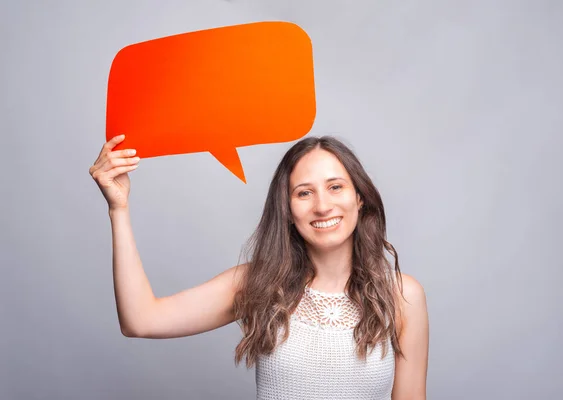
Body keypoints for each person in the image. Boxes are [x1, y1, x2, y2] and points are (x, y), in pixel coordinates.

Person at [89, 134, 429, 399]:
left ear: (359, 197)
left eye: (335, 187)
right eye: (304, 193)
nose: (323, 206)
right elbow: (141, 320)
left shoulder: (403, 295)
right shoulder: (258, 283)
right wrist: (118, 210)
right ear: (288, 211)